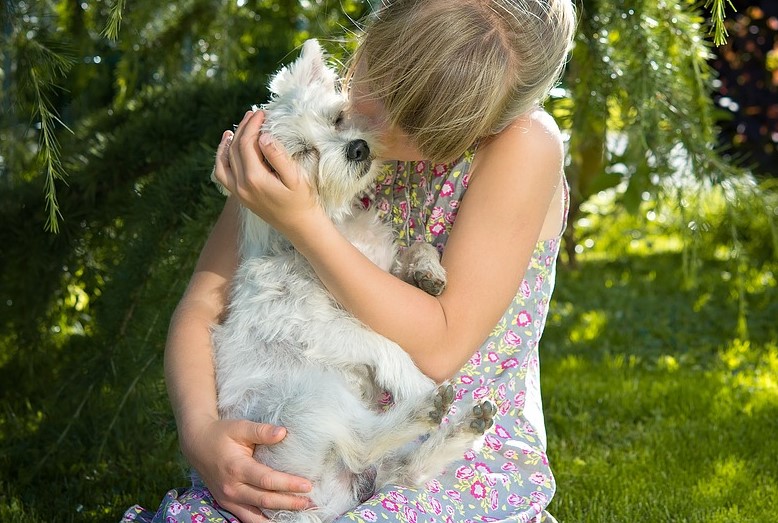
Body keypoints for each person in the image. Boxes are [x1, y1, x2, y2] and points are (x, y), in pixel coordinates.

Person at [122, 0, 576, 522]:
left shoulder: (522, 147)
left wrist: (303, 224)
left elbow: (441, 345)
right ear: (375, 30)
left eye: (413, 121)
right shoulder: (310, 125)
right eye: (374, 80)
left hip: (444, 452)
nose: (368, 121)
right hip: (302, 440)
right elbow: (206, 300)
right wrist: (201, 431)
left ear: (481, 127)